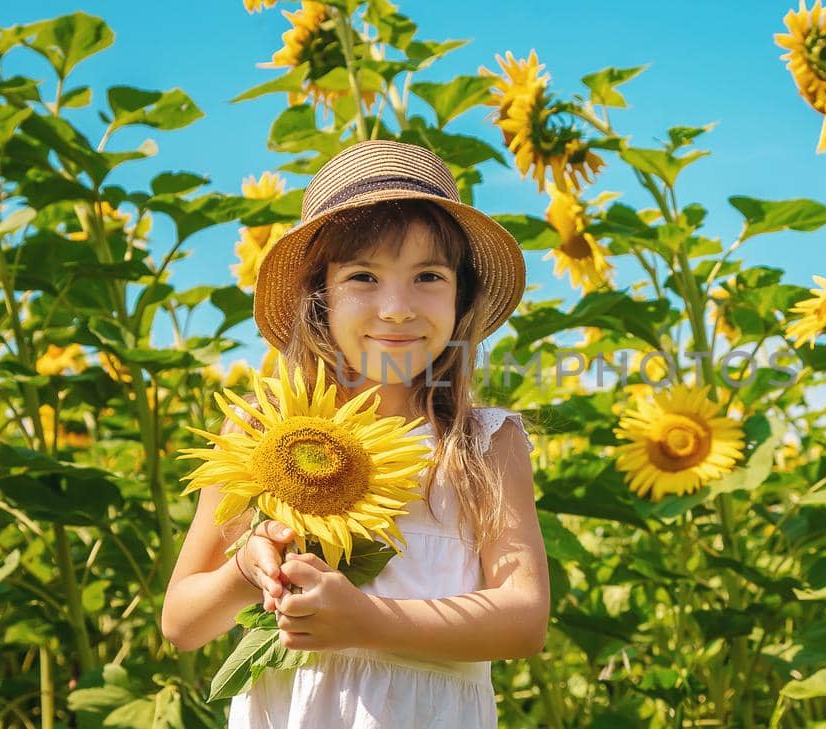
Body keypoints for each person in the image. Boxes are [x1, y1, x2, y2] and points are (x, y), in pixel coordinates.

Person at [160, 141, 549, 728]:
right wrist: (249, 569)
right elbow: (182, 623)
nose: (396, 309)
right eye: (363, 276)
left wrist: (370, 621)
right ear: (320, 296)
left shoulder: (482, 443)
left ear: (460, 296)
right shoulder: (263, 433)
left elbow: (524, 618)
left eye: (428, 276)